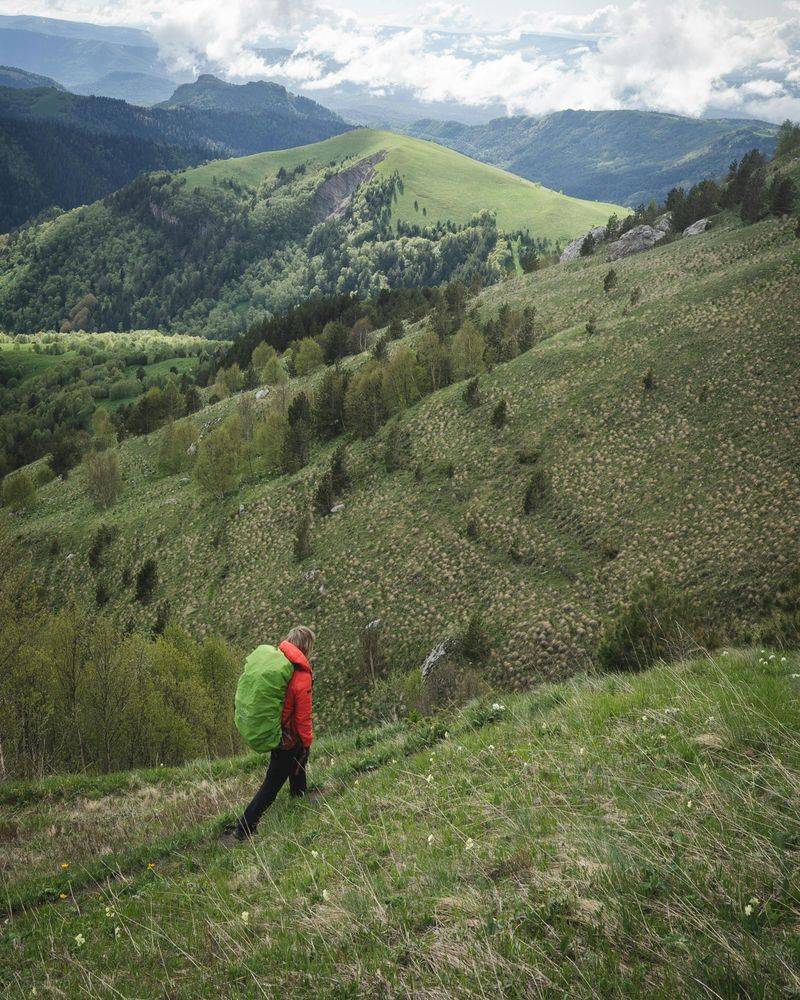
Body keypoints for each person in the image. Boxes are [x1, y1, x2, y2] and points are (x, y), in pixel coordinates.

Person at [223, 625, 315, 845]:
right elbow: (302, 718)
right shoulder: (301, 675)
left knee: (297, 765)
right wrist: (307, 741)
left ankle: (299, 799)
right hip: (289, 737)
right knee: (272, 784)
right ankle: (244, 827)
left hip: (278, 731)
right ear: (305, 647)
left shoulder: (278, 663)